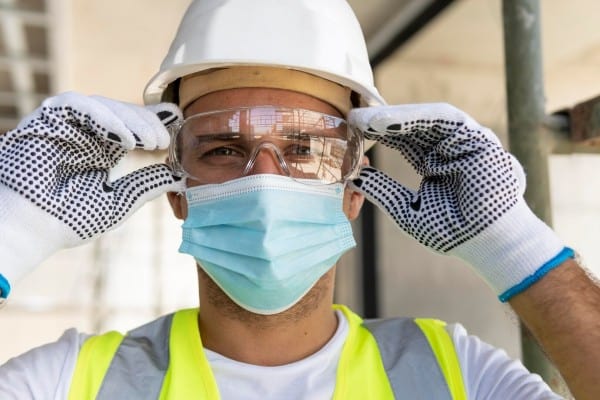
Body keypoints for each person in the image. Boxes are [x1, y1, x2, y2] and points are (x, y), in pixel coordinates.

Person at [0, 0, 599, 399]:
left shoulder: (459, 376)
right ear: (177, 192)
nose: (267, 182)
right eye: (224, 149)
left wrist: (513, 244)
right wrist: (11, 234)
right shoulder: (68, 382)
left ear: (354, 188)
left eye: (305, 147)